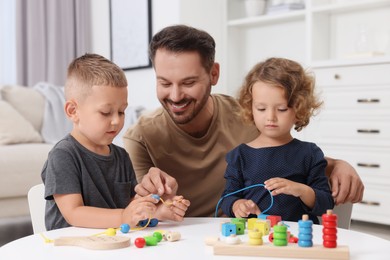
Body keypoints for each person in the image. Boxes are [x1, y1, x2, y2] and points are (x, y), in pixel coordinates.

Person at [123, 25, 364, 217]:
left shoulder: (249, 114)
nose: (175, 96)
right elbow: (139, 208)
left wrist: (337, 164)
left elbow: (289, 156)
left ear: (214, 74)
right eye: (164, 83)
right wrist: (153, 198)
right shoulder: (141, 137)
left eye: (188, 83)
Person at [41, 53, 190, 231]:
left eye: (121, 112)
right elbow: (74, 213)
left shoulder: (121, 156)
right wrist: (123, 217)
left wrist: (156, 210)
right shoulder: (63, 155)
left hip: (114, 244)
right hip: (71, 247)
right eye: (105, 112)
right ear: (73, 111)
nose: (116, 121)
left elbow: (129, 204)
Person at [219, 57, 333, 223]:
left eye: (281, 109)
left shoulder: (309, 153)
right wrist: (237, 204)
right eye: (261, 108)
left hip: (297, 240)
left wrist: (301, 190)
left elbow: (326, 204)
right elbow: (227, 198)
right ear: (250, 108)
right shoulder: (240, 155)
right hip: (256, 239)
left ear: (299, 108)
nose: (270, 117)